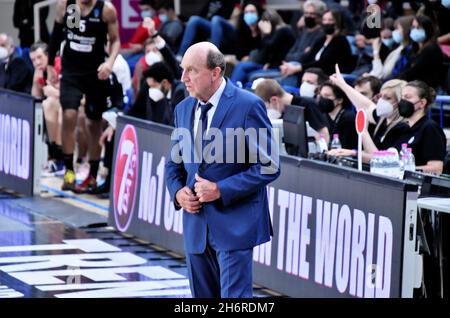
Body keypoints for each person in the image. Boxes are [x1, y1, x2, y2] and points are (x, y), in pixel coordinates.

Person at [165, 42, 280, 298]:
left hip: (235, 223)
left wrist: (221, 189)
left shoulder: (248, 106)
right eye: (183, 70)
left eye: (191, 71)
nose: (184, 78)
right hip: (196, 224)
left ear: (215, 73)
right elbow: (173, 163)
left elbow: (269, 166)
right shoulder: (183, 109)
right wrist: (178, 193)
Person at [47, 0, 120, 193]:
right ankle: (69, 171)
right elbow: (55, 34)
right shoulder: (66, 4)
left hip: (95, 72)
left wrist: (110, 62)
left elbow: (115, 40)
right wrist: (49, 65)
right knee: (69, 114)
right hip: (71, 72)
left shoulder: (106, 10)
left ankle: (92, 175)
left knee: (93, 123)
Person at [29, 42, 65, 176]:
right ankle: (55, 155)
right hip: (55, 107)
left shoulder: (59, 65)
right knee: (46, 104)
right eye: (33, 60)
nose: (36, 62)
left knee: (53, 104)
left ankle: (60, 157)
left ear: (48, 56)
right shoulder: (40, 72)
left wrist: (54, 92)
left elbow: (72, 96)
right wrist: (35, 81)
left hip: (79, 106)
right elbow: (35, 98)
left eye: (39, 58)